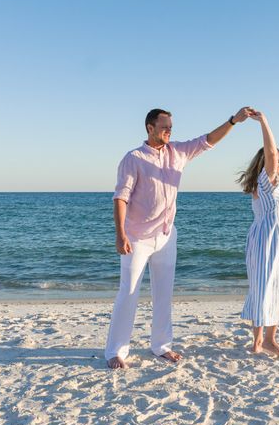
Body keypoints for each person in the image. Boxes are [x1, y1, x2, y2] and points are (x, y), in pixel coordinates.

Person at [105, 106, 253, 369]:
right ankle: (116, 351)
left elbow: (208, 140)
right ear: (150, 128)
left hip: (166, 235)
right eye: (164, 127)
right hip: (137, 237)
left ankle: (161, 346)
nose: (168, 132)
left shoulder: (178, 153)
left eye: (170, 127)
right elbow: (121, 197)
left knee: (164, 293)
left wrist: (233, 121)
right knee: (128, 292)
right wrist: (120, 235)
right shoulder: (134, 158)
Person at [237, 110, 279, 356]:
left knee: (271, 288)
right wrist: (264, 121)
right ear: (266, 165)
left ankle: (263, 341)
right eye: (278, 160)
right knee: (267, 288)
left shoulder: (271, 186)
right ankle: (264, 341)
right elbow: (270, 152)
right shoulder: (267, 181)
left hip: (275, 241)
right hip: (268, 241)